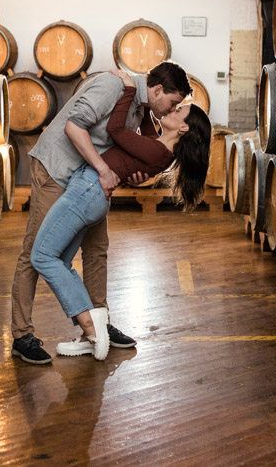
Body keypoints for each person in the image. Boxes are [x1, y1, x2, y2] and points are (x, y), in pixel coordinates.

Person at [10, 62, 192, 365]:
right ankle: (22, 334)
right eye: (173, 103)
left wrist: (129, 172)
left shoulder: (140, 106)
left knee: (97, 251)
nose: (172, 109)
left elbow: (128, 144)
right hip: (58, 170)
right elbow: (73, 127)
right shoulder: (113, 87)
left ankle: (98, 324)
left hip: (88, 179)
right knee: (36, 252)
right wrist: (106, 170)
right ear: (158, 90)